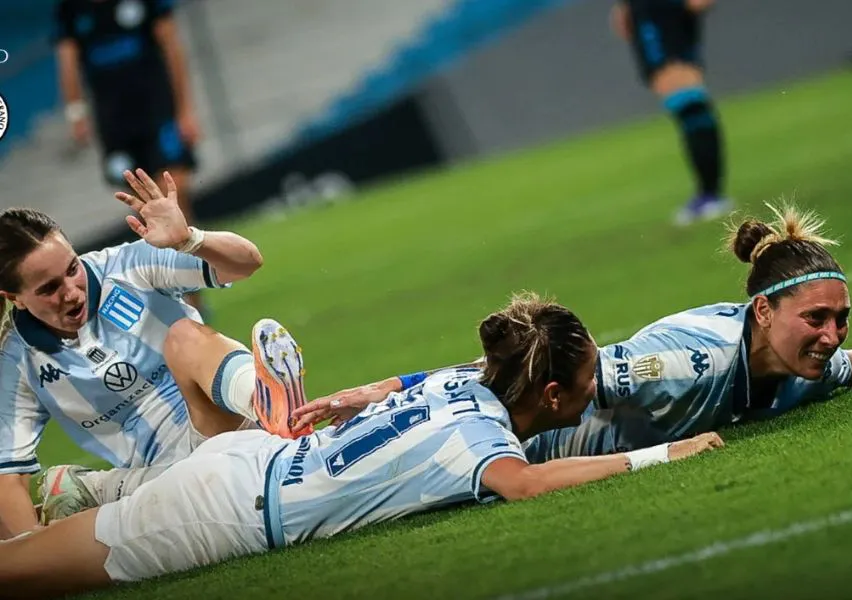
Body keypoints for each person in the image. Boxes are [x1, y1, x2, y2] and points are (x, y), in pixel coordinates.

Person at [0, 294, 724, 598]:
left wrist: (357, 396)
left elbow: (399, 385)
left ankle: (76, 488)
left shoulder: (463, 387)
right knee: (19, 576)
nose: (601, 389)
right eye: (591, 379)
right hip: (230, 511)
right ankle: (73, 491)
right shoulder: (481, 443)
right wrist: (663, 453)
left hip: (252, 464)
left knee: (36, 558)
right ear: (555, 398)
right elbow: (527, 484)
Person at [291, 204, 852, 462]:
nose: (834, 335)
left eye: (841, 318)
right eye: (818, 319)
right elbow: (538, 368)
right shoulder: (687, 364)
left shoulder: (791, 368)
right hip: (503, 441)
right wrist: (393, 388)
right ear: (763, 314)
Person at [0, 168, 275, 539]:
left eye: (72, 269)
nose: (72, 292)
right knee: (238, 485)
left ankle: (270, 403)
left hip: (223, 420)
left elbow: (247, 263)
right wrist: (32, 557)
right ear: (14, 298)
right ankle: (103, 491)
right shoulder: (16, 360)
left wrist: (190, 240)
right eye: (50, 288)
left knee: (184, 337)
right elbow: (7, 477)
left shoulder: (128, 267)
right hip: (167, 481)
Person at [53, 0, 205, 309]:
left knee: (176, 194)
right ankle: (172, 294)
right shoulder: (71, 9)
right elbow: (67, 59)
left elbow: (171, 45)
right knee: (143, 211)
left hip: (157, 113)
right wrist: (76, 112)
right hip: (115, 126)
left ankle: (196, 286)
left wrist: (185, 110)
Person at [610, 0, 730, 225]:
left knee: (686, 99)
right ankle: (709, 195)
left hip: (658, 13)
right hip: (650, 13)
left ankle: (711, 195)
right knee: (685, 101)